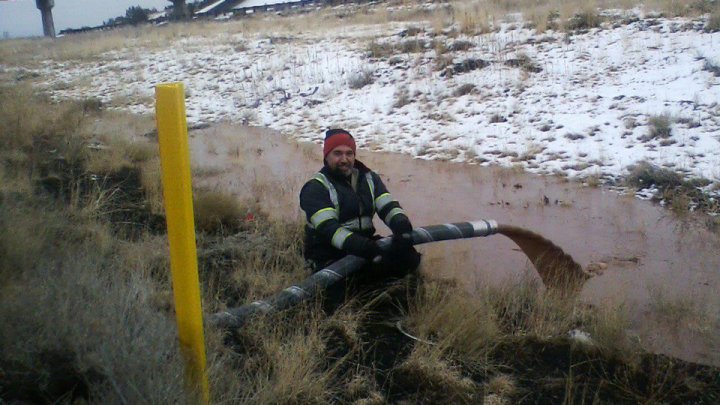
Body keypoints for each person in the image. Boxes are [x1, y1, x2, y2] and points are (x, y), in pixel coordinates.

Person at [299, 128, 421, 288]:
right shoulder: (316, 187)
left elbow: (389, 206)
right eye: (337, 153)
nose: (344, 159)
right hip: (329, 253)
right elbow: (329, 230)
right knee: (352, 287)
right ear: (326, 156)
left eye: (349, 153)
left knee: (409, 258)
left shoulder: (369, 178)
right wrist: (365, 248)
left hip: (364, 245)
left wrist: (402, 226)